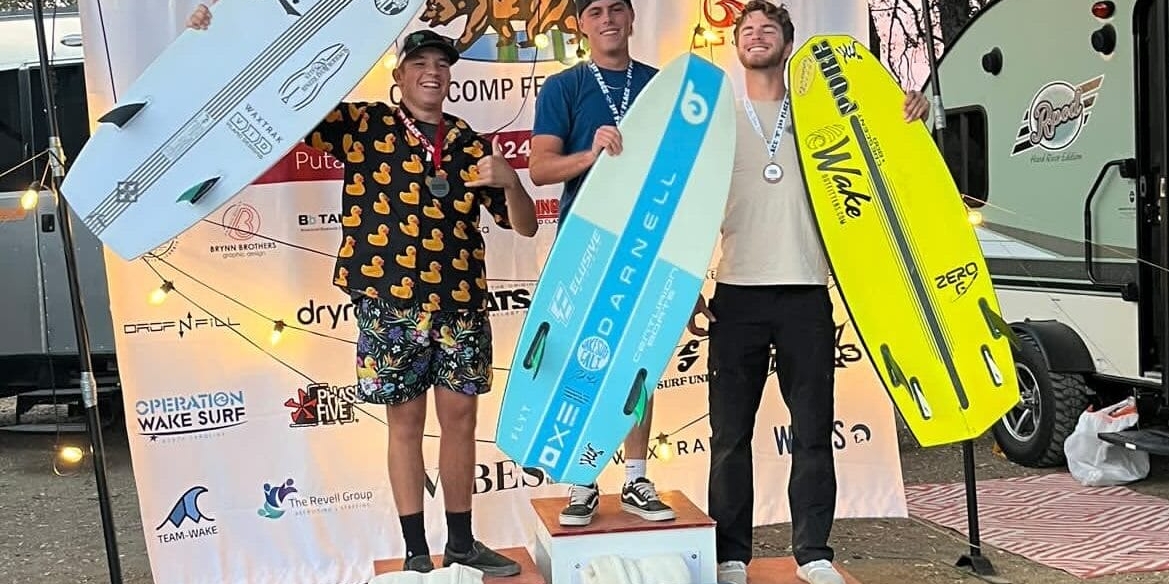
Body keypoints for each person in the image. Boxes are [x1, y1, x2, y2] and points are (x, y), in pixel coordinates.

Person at [188, 3, 538, 577]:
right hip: (389, 303)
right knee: (405, 424)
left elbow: (523, 226)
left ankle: (461, 543)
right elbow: (282, 100)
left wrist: (512, 181)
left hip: (460, 304)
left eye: (441, 65)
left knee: (461, 422)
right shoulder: (363, 125)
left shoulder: (471, 143)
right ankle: (416, 552)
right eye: (419, 64)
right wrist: (218, 39)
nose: (432, 73)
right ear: (398, 76)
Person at [691, 3, 929, 584]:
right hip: (737, 294)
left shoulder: (823, 117)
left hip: (805, 291)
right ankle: (730, 555)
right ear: (735, 47)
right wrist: (691, 286)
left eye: (767, 29)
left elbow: (882, 156)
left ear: (787, 43)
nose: (756, 36)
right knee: (729, 438)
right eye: (746, 30)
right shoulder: (718, 122)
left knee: (813, 432)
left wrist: (908, 114)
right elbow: (689, 211)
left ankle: (814, 553)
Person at [527, 0, 675, 528]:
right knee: (584, 361)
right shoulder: (563, 87)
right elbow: (540, 169)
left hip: (649, 243)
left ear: (632, 19)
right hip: (586, 245)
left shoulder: (663, 85)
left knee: (640, 360)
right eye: (594, 11)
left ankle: (636, 477)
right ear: (580, 26)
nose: (607, 19)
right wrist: (589, 156)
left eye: (616, 9)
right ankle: (581, 479)